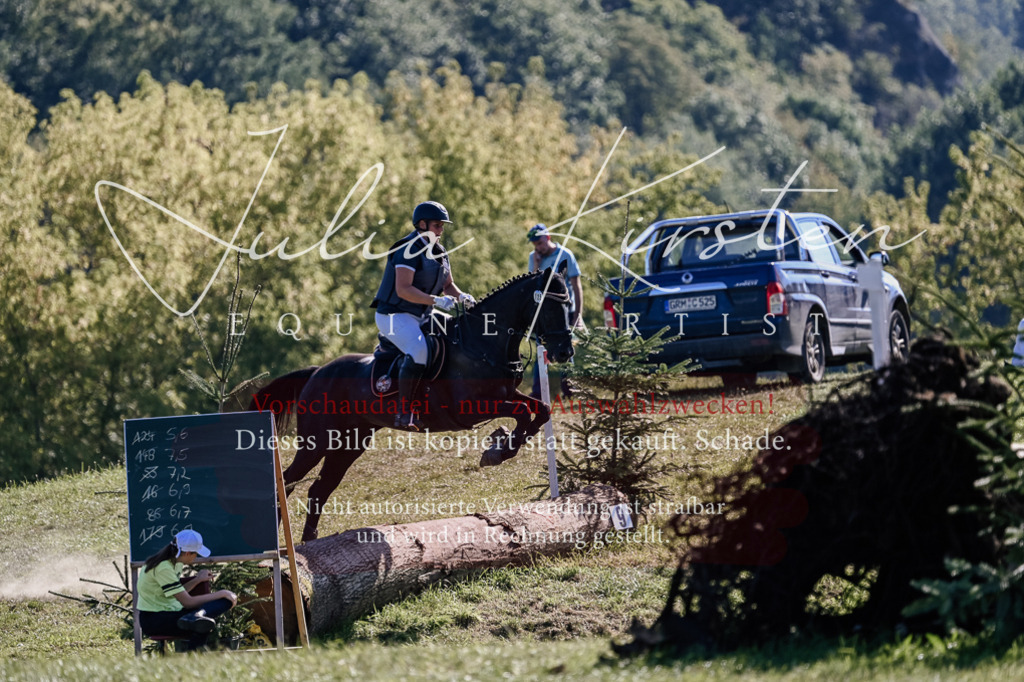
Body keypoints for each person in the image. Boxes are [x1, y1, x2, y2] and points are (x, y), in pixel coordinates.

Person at [371, 201, 474, 430]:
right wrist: (436, 301)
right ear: (421, 224)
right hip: (394, 315)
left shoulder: (440, 251)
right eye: (437, 225)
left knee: (458, 334)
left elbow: (448, 286)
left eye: (441, 226)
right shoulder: (407, 249)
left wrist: (462, 297)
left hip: (422, 313)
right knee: (419, 350)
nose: (441, 230)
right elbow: (403, 289)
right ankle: (404, 412)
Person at [136, 529, 237, 652]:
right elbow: (187, 602)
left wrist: (197, 580)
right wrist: (222, 593)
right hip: (155, 619)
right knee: (203, 624)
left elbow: (177, 594)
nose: (196, 557)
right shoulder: (163, 567)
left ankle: (197, 616)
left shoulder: (175, 562)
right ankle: (192, 657)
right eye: (196, 554)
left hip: (171, 611)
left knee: (219, 607)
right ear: (188, 553)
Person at [527, 224, 584, 398]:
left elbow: (576, 286)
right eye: (535, 244)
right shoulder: (534, 257)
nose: (538, 247)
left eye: (540, 242)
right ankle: (538, 391)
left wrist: (578, 315)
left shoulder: (565, 254)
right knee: (540, 348)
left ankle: (570, 389)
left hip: (564, 309)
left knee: (565, 349)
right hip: (544, 313)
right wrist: (536, 264)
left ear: (548, 238)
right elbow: (533, 285)